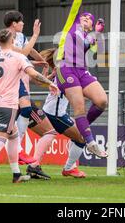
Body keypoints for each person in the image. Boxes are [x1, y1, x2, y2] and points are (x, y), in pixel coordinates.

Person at [0, 28, 59, 185]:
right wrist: (50, 82)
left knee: (13, 137)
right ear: (12, 41)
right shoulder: (18, 57)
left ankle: (16, 175)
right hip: (8, 104)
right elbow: (33, 75)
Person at [55, 0, 108, 158]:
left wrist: (97, 33)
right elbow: (78, 1)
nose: (85, 18)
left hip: (81, 70)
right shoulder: (72, 23)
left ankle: (83, 130)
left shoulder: (88, 37)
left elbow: (94, 49)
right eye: (84, 17)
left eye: (89, 19)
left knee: (102, 101)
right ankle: (90, 141)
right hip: (65, 67)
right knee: (79, 107)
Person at [0, 11, 58, 180]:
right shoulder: (5, 39)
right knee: (6, 133)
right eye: (21, 22)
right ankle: (19, 151)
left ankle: (30, 167)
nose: (23, 24)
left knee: (49, 131)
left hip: (20, 89)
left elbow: (29, 53)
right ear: (13, 23)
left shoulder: (21, 37)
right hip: (10, 89)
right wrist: (36, 35)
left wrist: (42, 61)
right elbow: (22, 54)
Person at [40, 48, 87, 178]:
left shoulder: (62, 71)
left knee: (78, 134)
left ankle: (70, 166)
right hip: (55, 114)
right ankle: (68, 168)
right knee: (82, 137)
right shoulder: (65, 73)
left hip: (54, 111)